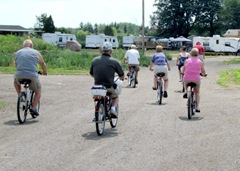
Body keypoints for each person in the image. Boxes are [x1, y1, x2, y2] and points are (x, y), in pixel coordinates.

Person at [90, 42, 125, 118]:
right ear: (111, 51)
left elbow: (92, 74)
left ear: (102, 50)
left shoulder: (94, 60)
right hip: (109, 86)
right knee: (115, 95)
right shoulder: (114, 61)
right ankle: (112, 108)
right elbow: (121, 75)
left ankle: (98, 110)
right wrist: (122, 78)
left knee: (98, 98)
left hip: (97, 87)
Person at [14, 39, 47, 116]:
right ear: (31, 46)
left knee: (16, 82)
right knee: (38, 92)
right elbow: (42, 63)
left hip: (19, 74)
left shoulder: (18, 52)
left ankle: (20, 96)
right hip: (32, 75)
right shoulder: (36, 52)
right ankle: (34, 108)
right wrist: (44, 72)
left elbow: (16, 65)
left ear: (23, 46)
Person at [181, 48, 206, 113]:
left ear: (191, 54)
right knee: (197, 92)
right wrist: (204, 74)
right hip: (196, 78)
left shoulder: (187, 61)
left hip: (187, 78)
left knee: (185, 80)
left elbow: (183, 70)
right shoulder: (200, 62)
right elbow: (203, 71)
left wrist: (182, 72)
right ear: (198, 54)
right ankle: (197, 107)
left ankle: (186, 91)